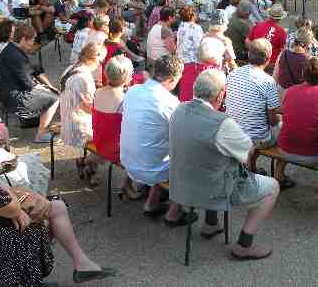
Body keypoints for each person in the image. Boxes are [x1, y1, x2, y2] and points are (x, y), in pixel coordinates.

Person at [0, 101, 116, 287]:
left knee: (53, 207)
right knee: (44, 214)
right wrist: (15, 203)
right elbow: (9, 207)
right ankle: (33, 279)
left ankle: (80, 265)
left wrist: (13, 201)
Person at [169, 69, 279, 260]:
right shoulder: (223, 123)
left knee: (214, 161)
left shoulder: (179, 109)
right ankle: (244, 245)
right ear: (221, 95)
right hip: (211, 189)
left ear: (196, 90)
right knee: (272, 186)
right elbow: (247, 154)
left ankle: (211, 223)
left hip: (181, 185)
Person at [120, 55, 189, 224]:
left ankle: (152, 203)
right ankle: (173, 213)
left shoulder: (133, 91)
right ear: (172, 80)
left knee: (158, 145)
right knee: (188, 154)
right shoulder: (170, 102)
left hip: (128, 161)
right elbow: (184, 137)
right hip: (150, 168)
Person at [276, 57, 318, 193]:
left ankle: (278, 176)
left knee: (289, 130)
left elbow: (286, 111)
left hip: (284, 151)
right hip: (317, 156)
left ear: (303, 74)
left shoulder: (289, 91)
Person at [225, 39, 285, 179]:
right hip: (256, 138)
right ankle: (279, 175)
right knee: (285, 131)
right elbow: (272, 119)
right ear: (269, 57)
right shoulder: (268, 81)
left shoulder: (233, 74)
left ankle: (251, 168)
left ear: (249, 54)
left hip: (234, 132)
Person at [0, 24, 60, 143]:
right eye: (31, 40)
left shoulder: (11, 49)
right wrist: (48, 89)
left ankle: (38, 121)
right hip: (14, 98)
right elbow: (28, 84)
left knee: (50, 94)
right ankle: (41, 134)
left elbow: (34, 70)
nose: (33, 43)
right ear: (22, 39)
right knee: (55, 98)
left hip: (8, 93)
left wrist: (46, 87)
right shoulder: (16, 56)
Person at [92, 56, 140, 200]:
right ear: (126, 77)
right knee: (142, 146)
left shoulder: (98, 92)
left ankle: (91, 161)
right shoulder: (125, 99)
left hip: (99, 140)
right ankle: (127, 184)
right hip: (114, 148)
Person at [60, 43, 106, 184]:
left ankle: (81, 163)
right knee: (109, 138)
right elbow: (89, 108)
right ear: (94, 58)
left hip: (67, 120)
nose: (100, 64)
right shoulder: (84, 78)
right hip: (78, 126)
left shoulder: (71, 68)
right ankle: (89, 167)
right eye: (100, 60)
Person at [178, 37, 225, 102]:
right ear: (214, 55)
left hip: (184, 106)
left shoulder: (186, 67)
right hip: (206, 109)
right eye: (221, 54)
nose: (222, 57)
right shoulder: (216, 75)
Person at [272, 26, 312, 100]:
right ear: (307, 44)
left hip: (281, 92)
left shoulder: (283, 53)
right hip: (297, 95)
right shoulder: (307, 60)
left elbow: (275, 75)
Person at [247, 3, 287, 74]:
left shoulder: (258, 26)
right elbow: (283, 51)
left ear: (269, 16)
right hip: (271, 64)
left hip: (255, 62)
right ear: (280, 18)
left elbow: (247, 42)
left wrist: (255, 52)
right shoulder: (282, 32)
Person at [176, 6, 204, 98]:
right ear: (193, 15)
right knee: (189, 90)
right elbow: (198, 45)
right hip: (192, 61)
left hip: (181, 59)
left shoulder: (181, 26)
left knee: (183, 86)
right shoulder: (196, 28)